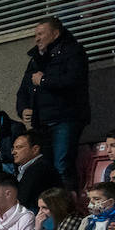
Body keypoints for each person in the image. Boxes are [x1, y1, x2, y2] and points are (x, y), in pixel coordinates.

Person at [16, 16, 89, 183]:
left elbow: (73, 81)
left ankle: (66, 205)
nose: (37, 38)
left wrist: (43, 80)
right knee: (44, 168)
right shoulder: (36, 59)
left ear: (55, 34)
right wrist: (24, 109)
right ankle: (49, 206)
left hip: (65, 119)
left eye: (41, 34)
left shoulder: (73, 52)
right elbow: (23, 90)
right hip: (41, 123)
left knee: (62, 166)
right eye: (36, 35)